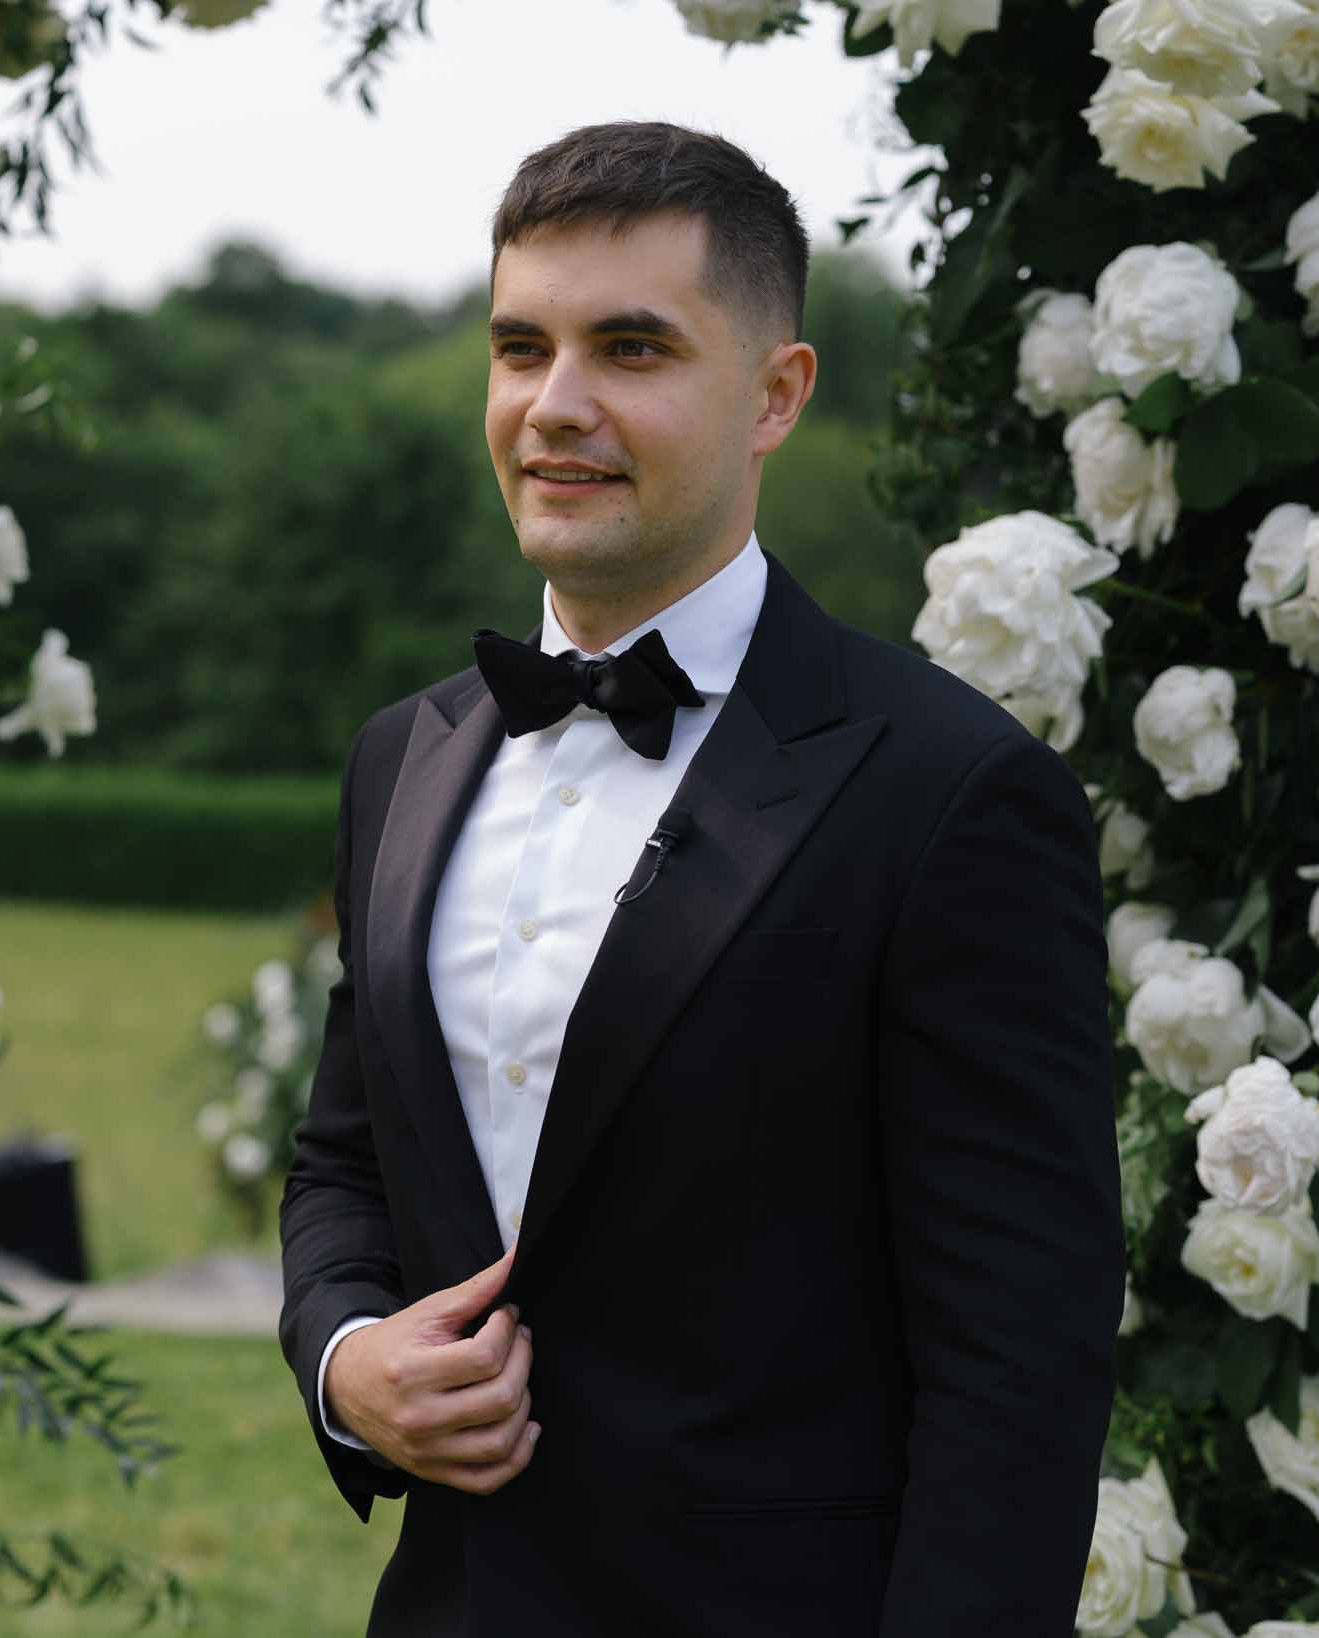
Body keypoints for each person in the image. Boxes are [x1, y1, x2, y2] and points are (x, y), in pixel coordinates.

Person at [278, 120, 1122, 1636]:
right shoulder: (399, 758)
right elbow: (344, 1159)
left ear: (775, 395)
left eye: (634, 348)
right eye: (520, 345)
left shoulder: (953, 791)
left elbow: (1020, 1370)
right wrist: (349, 1359)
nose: (557, 405)